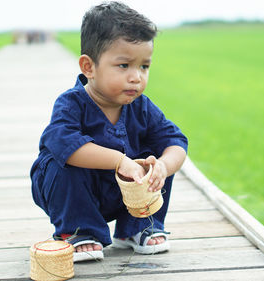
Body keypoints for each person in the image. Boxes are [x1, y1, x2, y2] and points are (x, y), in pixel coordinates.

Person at [30, 1, 188, 262]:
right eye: (124, 65)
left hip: (126, 193)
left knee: (157, 159)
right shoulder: (71, 104)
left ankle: (139, 227)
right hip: (74, 193)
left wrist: (162, 165)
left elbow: (176, 141)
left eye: (144, 66)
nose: (136, 77)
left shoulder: (142, 108)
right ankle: (79, 230)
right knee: (62, 161)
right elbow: (63, 141)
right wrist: (119, 161)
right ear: (89, 67)